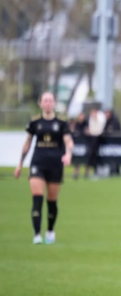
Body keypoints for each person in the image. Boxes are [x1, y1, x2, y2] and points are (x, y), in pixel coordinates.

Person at [14, 92, 73, 244]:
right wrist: (20, 164)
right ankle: (37, 235)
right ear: (40, 103)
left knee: (52, 202)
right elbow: (27, 143)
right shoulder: (35, 122)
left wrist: (68, 154)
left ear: (54, 103)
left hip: (55, 165)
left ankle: (50, 231)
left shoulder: (61, 122)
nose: (47, 103)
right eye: (45, 100)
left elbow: (68, 141)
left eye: (50, 100)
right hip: (38, 163)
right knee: (37, 199)